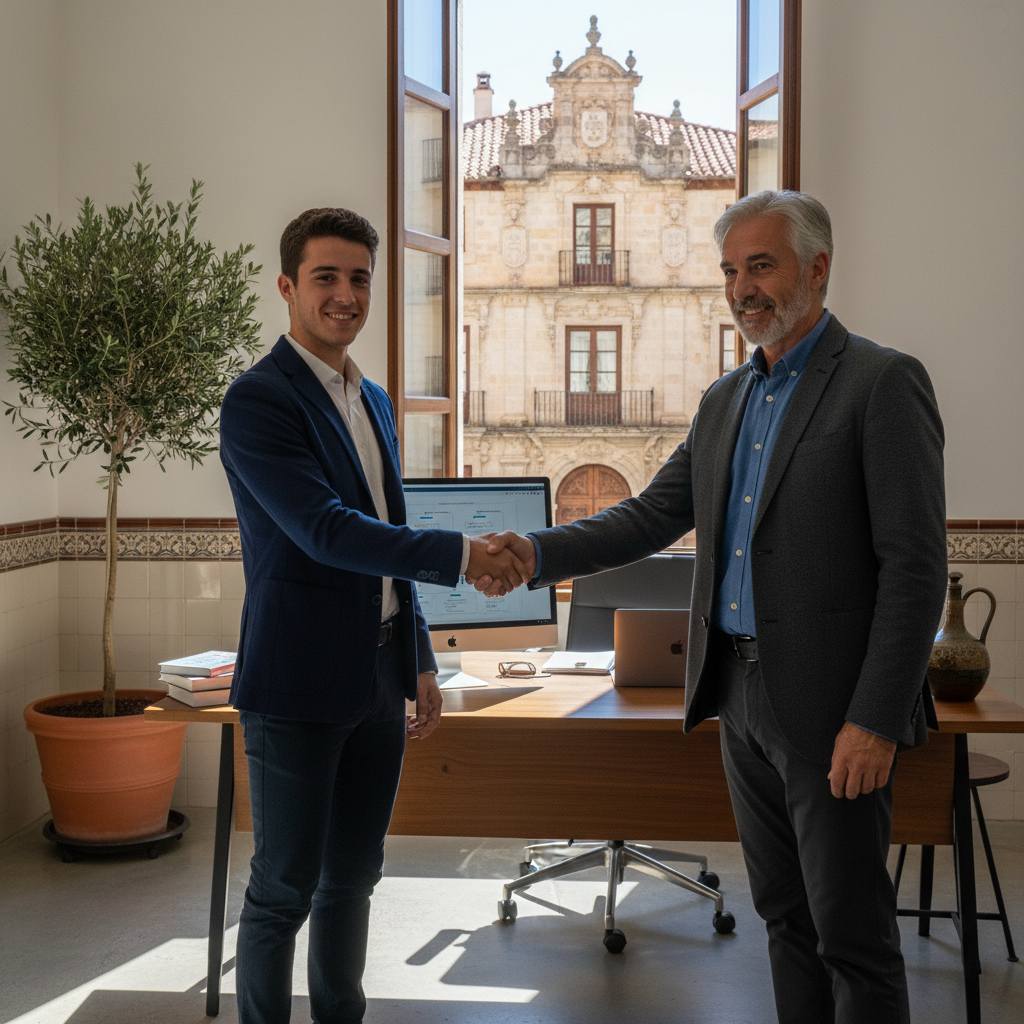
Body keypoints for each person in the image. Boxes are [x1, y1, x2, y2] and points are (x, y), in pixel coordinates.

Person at [471, 190, 947, 1023]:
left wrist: (874, 719)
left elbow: (915, 569)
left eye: (760, 266)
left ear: (818, 269)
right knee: (784, 922)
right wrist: (538, 554)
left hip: (836, 712)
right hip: (739, 698)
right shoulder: (725, 400)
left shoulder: (881, 383)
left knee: (854, 937)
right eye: (731, 271)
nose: (742, 289)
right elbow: (649, 515)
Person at [219, 207, 526, 1024]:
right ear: (288, 287)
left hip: (378, 675)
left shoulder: (375, 399)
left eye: (359, 278)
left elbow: (384, 538)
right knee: (283, 887)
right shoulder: (258, 402)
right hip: (296, 682)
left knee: (353, 877)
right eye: (326, 277)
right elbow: (326, 532)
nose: (345, 295)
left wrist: (418, 656)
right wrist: (463, 554)